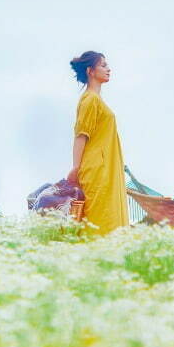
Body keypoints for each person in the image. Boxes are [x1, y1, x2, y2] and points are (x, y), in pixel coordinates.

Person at [65, 51, 127, 234]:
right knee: (100, 219)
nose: (108, 69)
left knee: (108, 218)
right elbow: (81, 135)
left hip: (106, 168)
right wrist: (76, 168)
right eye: (103, 65)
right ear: (91, 71)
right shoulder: (90, 99)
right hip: (98, 170)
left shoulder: (96, 99)